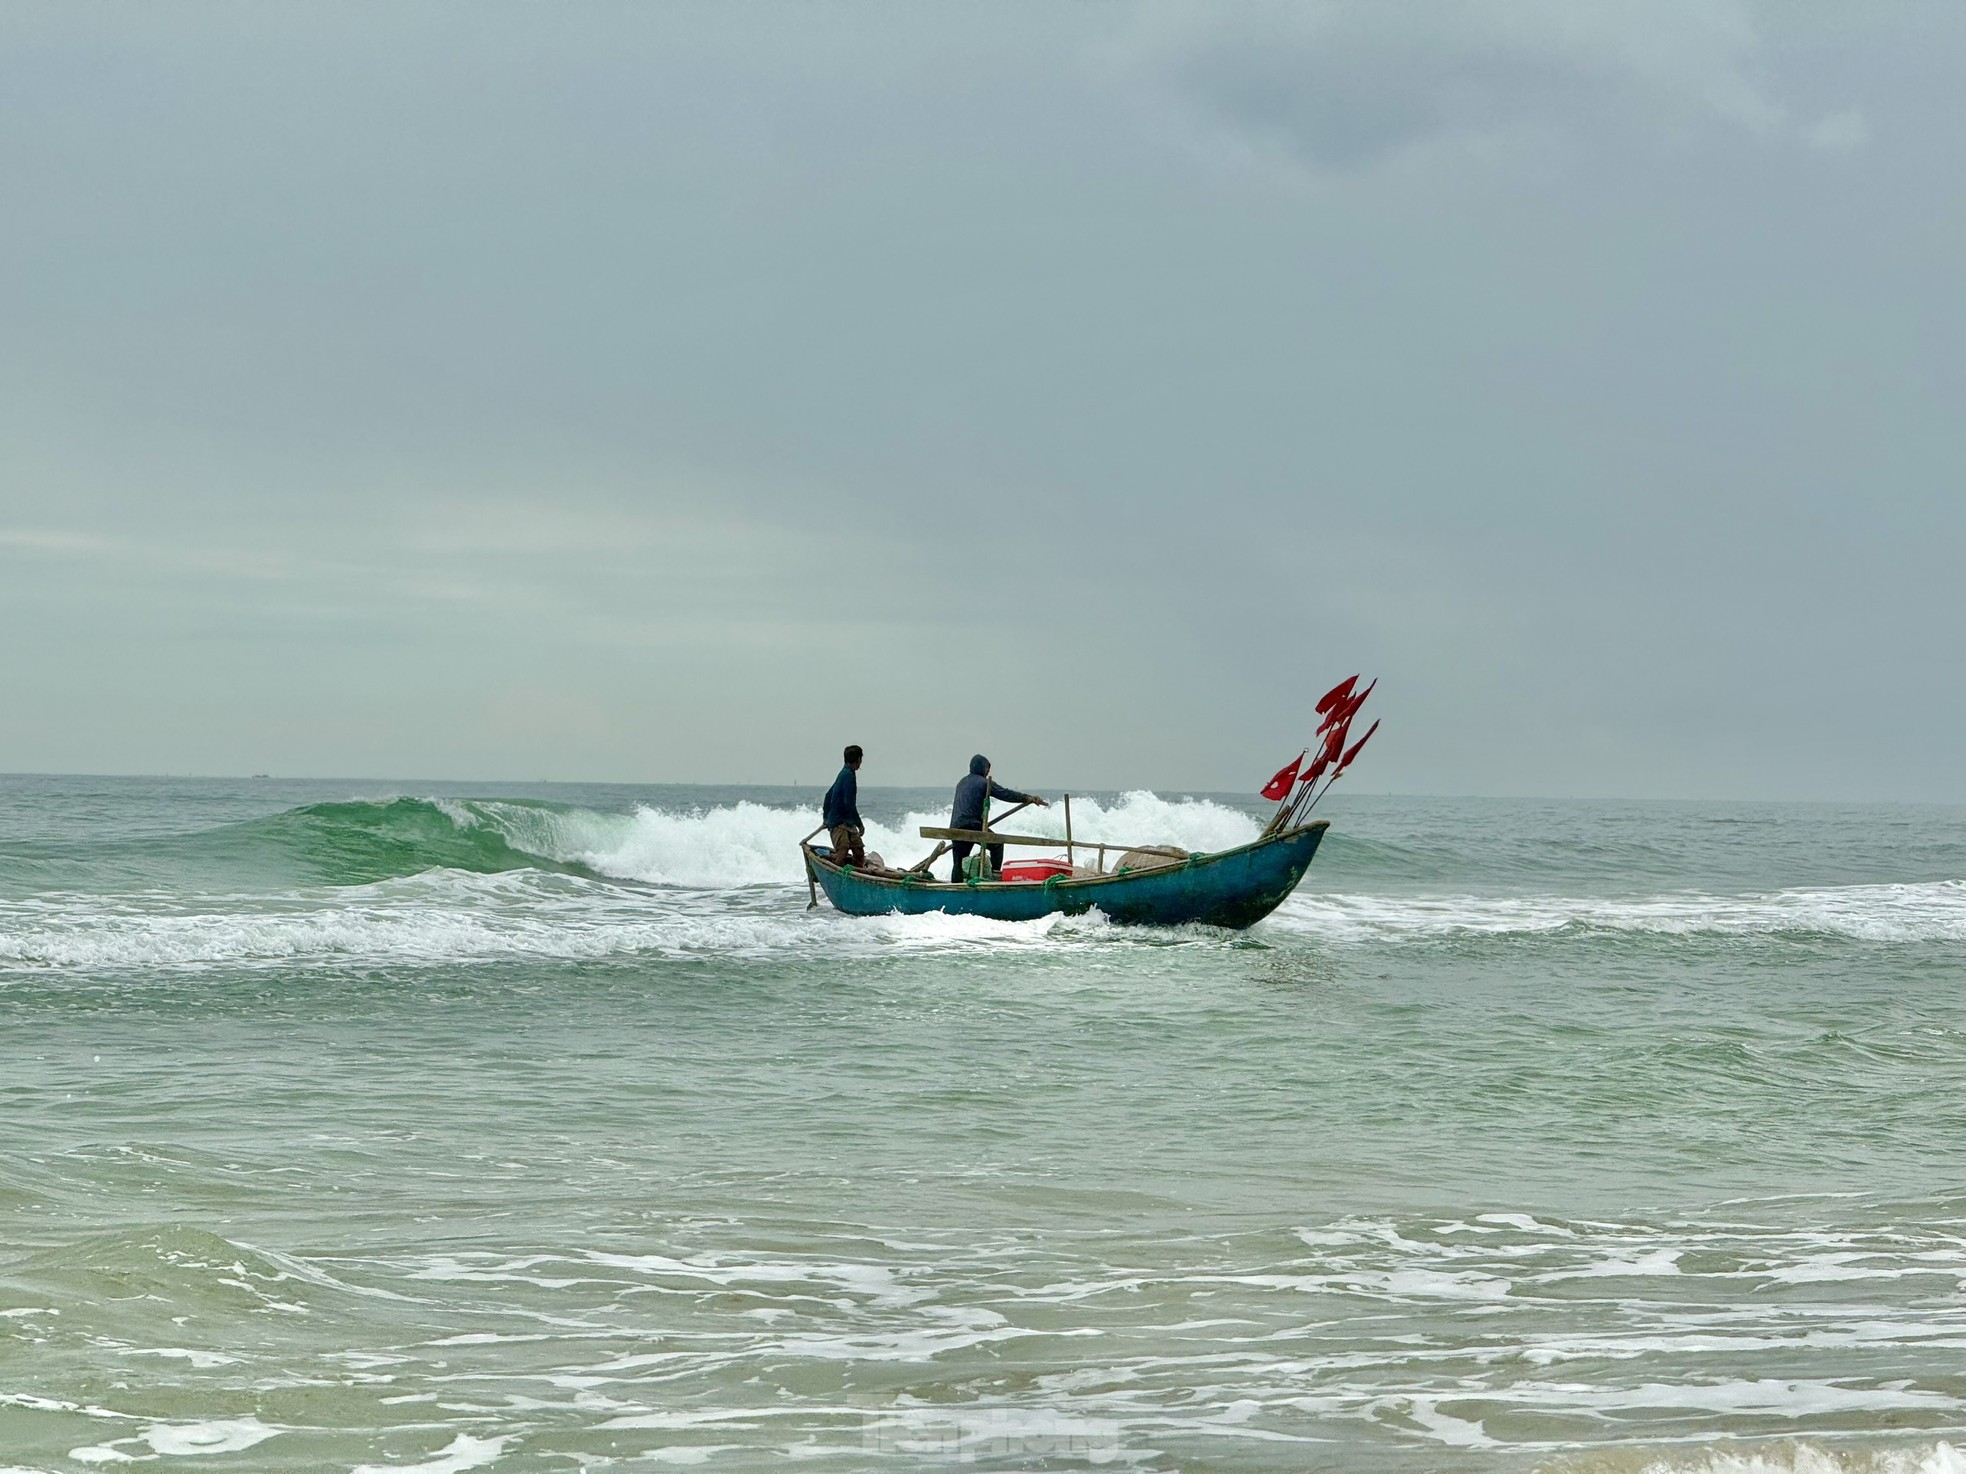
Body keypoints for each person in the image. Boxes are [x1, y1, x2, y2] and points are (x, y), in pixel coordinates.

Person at [948, 753, 1046, 881]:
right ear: (982, 768)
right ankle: (994, 877)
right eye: (987, 768)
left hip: (955, 827)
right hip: (972, 825)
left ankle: (955, 889)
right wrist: (1027, 798)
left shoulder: (961, 782)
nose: (988, 772)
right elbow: (1005, 794)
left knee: (958, 862)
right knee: (997, 844)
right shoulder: (985, 782)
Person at [822, 745, 866, 869]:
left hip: (847, 822)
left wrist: (826, 817)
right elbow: (849, 803)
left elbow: (827, 796)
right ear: (858, 760)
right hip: (839, 823)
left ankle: (858, 875)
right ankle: (837, 878)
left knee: (859, 852)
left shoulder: (844, 773)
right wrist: (860, 825)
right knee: (843, 851)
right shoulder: (848, 776)